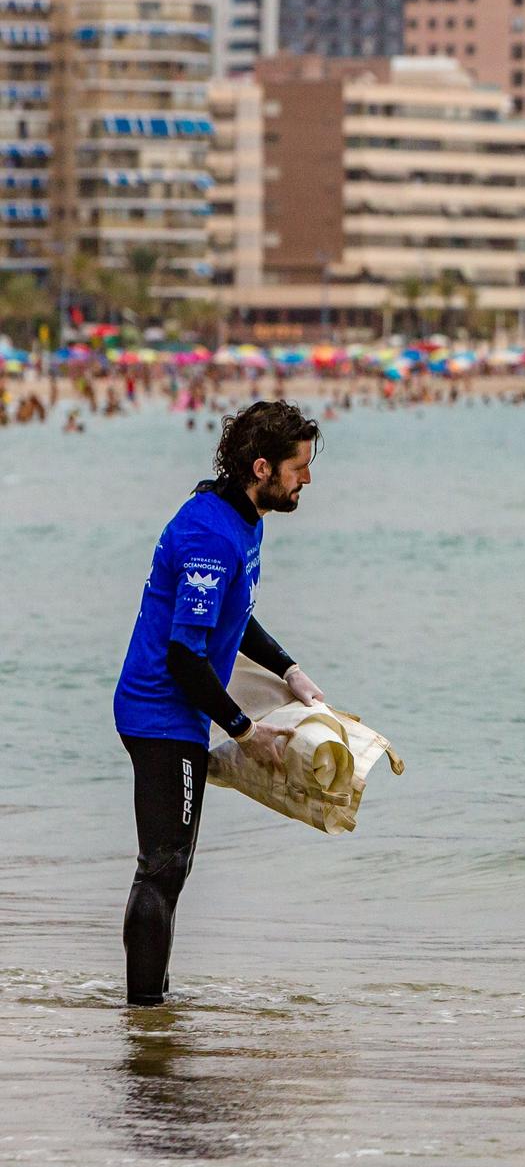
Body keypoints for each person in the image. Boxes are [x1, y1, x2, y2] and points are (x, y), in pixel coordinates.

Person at [111, 400, 325, 1006]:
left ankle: (152, 1005)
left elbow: (238, 613)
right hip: (161, 711)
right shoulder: (210, 534)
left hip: (178, 710)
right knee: (162, 867)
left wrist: (290, 669)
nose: (305, 480)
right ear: (262, 468)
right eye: (298, 468)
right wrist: (243, 728)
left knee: (169, 869)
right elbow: (184, 653)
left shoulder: (240, 519)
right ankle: (146, 1016)